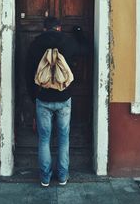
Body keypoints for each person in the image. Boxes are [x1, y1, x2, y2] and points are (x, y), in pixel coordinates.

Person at [26, 16, 88, 187]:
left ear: (45, 29)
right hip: (64, 98)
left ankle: (45, 178)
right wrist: (78, 32)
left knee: (44, 139)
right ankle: (62, 177)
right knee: (63, 139)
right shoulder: (69, 42)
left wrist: (34, 99)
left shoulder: (35, 43)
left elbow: (27, 74)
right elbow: (87, 50)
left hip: (42, 98)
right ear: (59, 28)